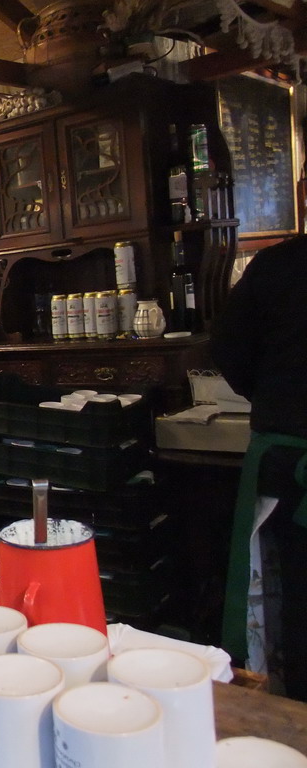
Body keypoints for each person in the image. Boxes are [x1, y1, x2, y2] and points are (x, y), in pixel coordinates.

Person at [211, 234, 307, 702]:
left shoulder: (276, 265)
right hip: (289, 457)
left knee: (296, 595)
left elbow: (229, 348)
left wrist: (273, 398)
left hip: (286, 451)